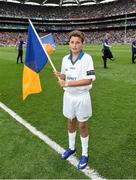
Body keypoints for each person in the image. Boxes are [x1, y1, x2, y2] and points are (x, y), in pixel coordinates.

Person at [54, 30, 96, 169]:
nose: (74, 45)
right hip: (68, 97)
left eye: (78, 42)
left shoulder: (87, 58)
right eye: (72, 42)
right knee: (70, 121)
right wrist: (61, 75)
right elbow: (66, 76)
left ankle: (85, 153)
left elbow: (88, 80)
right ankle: (71, 148)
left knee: (82, 125)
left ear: (82, 44)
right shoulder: (65, 59)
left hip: (82, 97)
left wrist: (66, 83)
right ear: (69, 44)